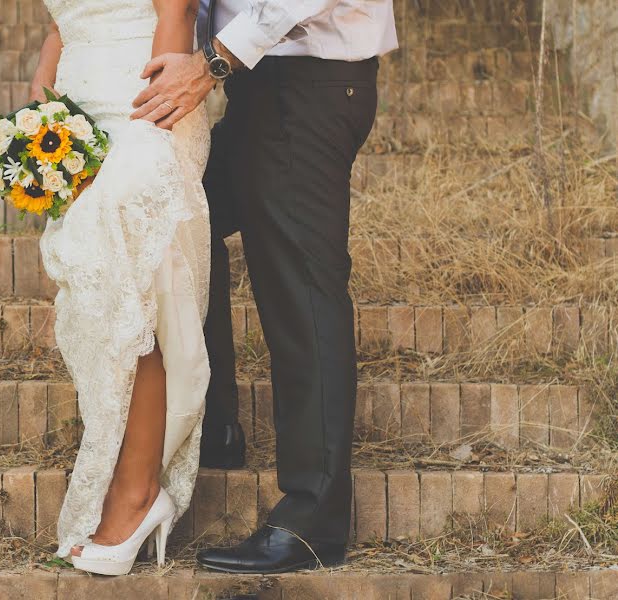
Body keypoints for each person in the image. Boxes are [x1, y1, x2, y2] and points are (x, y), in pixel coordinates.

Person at [131, 0, 398, 574]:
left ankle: (313, 520)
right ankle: (218, 425)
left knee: (301, 291)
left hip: (307, 82)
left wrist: (211, 61)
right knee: (185, 219)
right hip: (266, 83)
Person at [30, 0, 212, 576]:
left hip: (145, 109)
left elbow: (177, 9)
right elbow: (64, 21)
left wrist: (153, 134)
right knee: (99, 298)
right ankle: (131, 487)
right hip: (77, 117)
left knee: (133, 293)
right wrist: (41, 82)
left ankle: (135, 497)